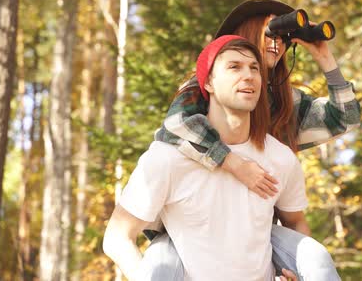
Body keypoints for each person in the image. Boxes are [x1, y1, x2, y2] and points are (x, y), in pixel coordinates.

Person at [148, 0, 358, 280]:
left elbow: (345, 118)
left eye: (283, 37)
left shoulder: (284, 103)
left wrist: (325, 59)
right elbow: (177, 125)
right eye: (269, 32)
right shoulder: (209, 86)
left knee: (317, 262)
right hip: (190, 227)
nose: (277, 43)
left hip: (253, 230)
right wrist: (234, 163)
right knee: (159, 268)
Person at [104, 36, 316, 280]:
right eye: (234, 67)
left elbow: (295, 223)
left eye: (254, 68)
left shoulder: (280, 158)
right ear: (209, 83)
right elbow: (117, 236)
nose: (248, 75)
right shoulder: (167, 159)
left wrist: (296, 273)